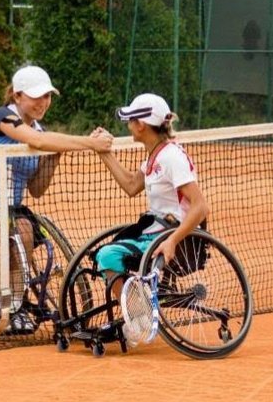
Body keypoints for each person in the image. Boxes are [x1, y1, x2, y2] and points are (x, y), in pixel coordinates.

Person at [0, 64, 113, 334]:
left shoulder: (41, 130)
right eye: (36, 96)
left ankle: (15, 306)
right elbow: (38, 140)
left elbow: (36, 188)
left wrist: (55, 157)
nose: (43, 102)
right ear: (17, 96)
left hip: (11, 208)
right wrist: (89, 143)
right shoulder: (2, 117)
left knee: (23, 230)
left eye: (47, 96)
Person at [90, 93, 210, 298]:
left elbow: (201, 207)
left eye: (131, 120)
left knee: (107, 255)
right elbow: (130, 185)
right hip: (157, 231)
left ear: (141, 125)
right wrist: (102, 151)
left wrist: (172, 240)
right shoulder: (156, 155)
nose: (128, 124)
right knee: (107, 250)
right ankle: (137, 308)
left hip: (176, 237)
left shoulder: (171, 157)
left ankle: (138, 317)